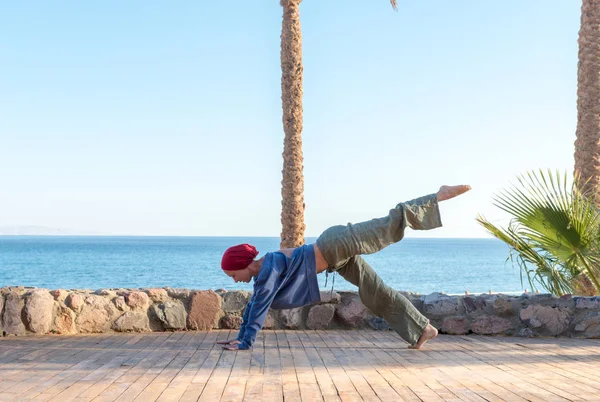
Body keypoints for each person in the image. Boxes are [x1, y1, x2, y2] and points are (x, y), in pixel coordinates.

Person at [217, 184, 471, 351]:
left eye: (233, 274)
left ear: (244, 264)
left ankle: (437, 196)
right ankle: (423, 329)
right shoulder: (263, 275)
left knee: (387, 226)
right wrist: (241, 336)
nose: (234, 280)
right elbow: (253, 305)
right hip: (336, 259)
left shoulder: (269, 267)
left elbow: (259, 305)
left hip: (335, 243)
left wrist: (245, 343)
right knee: (376, 292)